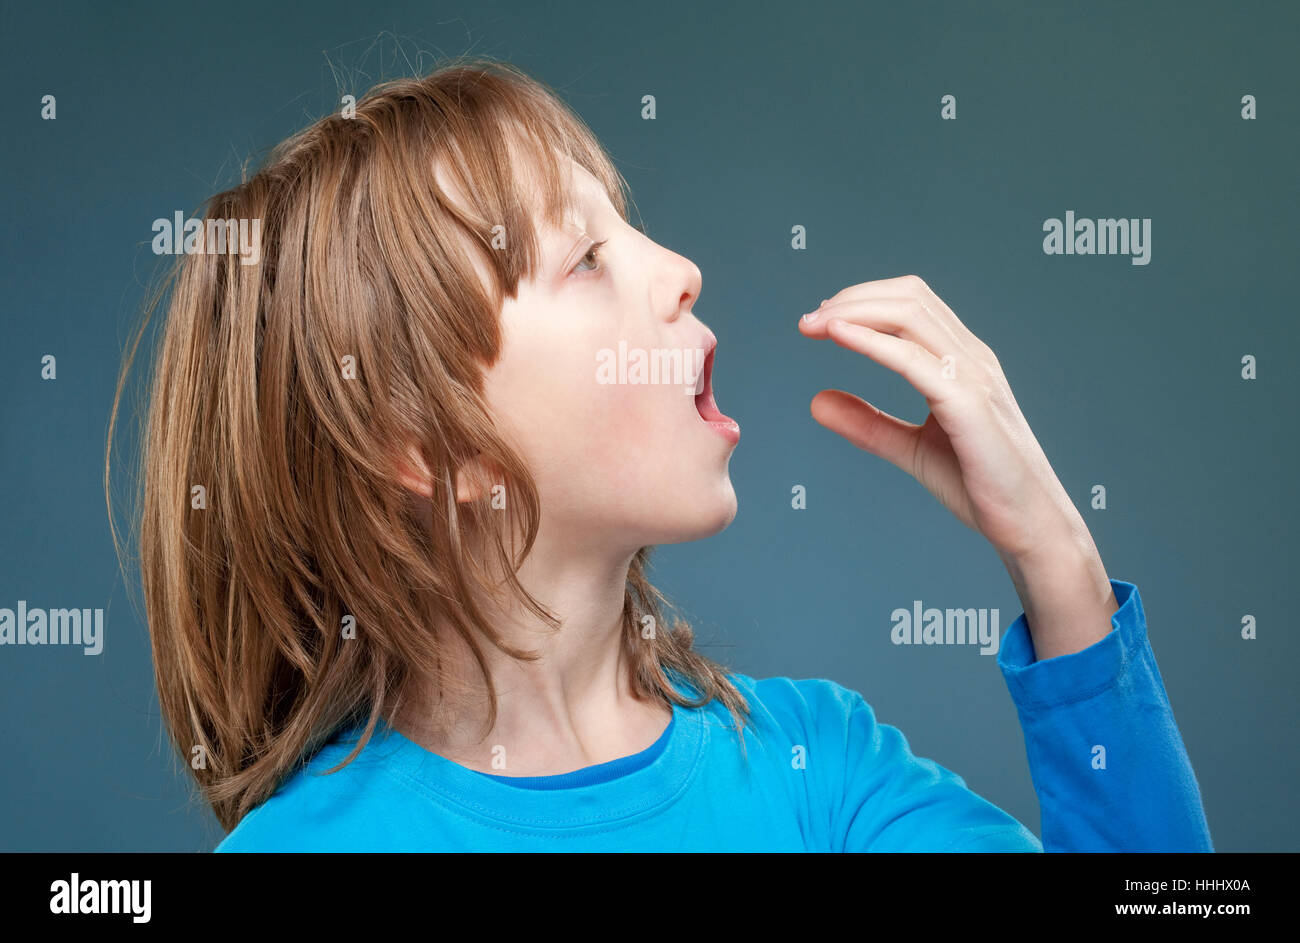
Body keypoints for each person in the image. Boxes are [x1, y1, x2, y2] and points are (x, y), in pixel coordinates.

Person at [107, 55, 1213, 852]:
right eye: (585, 255)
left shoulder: (818, 771)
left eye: (629, 224)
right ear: (430, 443)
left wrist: (1057, 564)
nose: (679, 265)